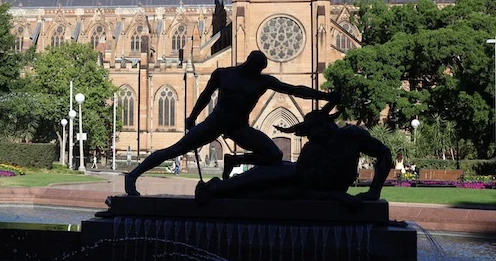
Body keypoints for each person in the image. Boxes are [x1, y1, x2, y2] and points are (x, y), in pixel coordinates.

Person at [122, 50, 339, 196]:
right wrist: (193, 116)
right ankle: (132, 176)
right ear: (249, 63)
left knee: (274, 155)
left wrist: (326, 97)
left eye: (260, 69)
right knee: (175, 149)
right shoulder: (223, 74)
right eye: (256, 67)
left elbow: (296, 91)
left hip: (238, 127)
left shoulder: (263, 81)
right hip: (215, 123)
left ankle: (233, 160)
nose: (258, 72)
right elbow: (205, 95)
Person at [195, 99, 393, 207]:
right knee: (263, 178)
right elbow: (305, 190)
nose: (313, 137)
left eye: (315, 132)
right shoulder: (313, 148)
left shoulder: (352, 136)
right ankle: (216, 189)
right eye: (310, 134)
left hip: (305, 184)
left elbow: (384, 153)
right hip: (297, 179)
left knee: (267, 186)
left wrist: (374, 190)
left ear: (327, 124)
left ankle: (218, 187)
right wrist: (336, 197)